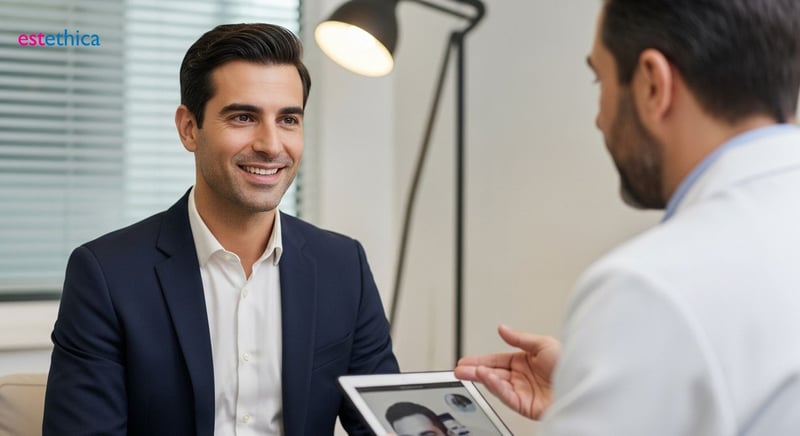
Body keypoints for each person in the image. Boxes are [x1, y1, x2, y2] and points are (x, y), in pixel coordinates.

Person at [455, 0, 800, 435]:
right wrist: (600, 396)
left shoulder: (649, 289)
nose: (599, 120)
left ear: (653, 84)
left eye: (599, 80)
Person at [43, 23, 399, 435]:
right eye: (243, 117)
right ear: (189, 128)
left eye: (288, 119)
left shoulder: (343, 267)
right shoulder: (107, 275)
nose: (271, 145)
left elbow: (385, 427)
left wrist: (461, 408)